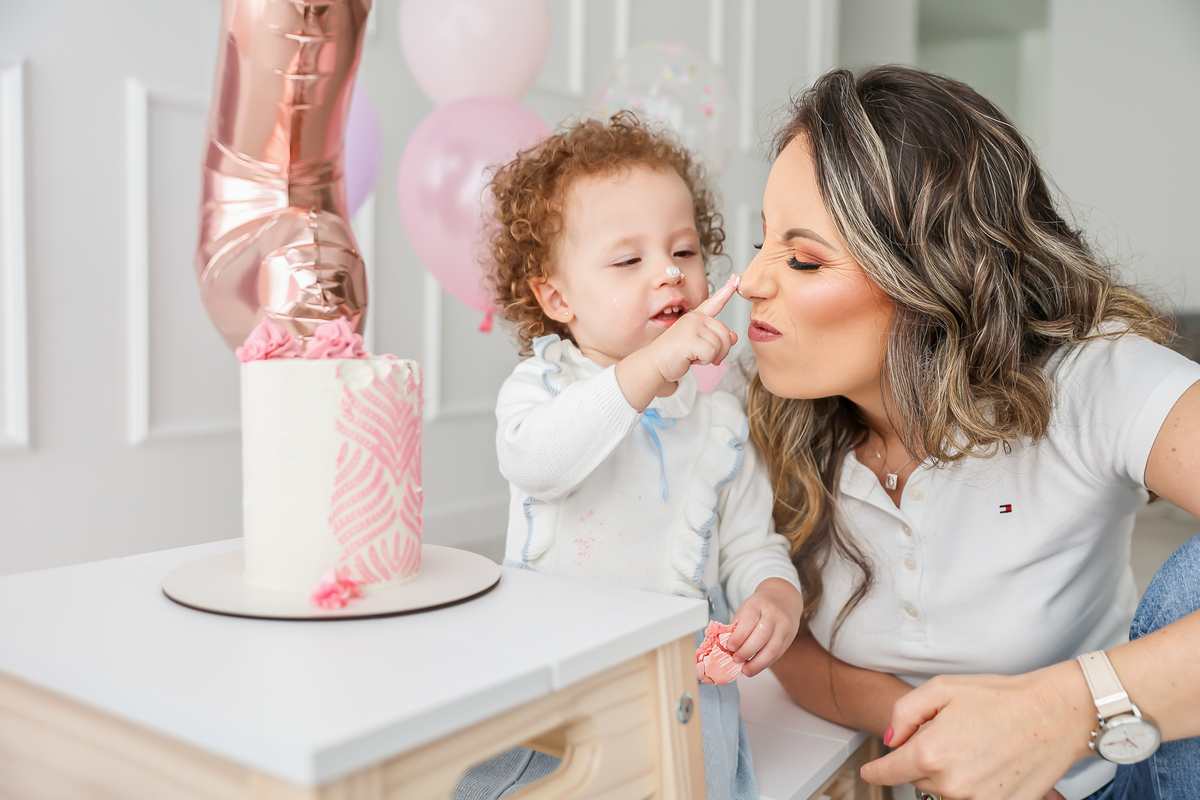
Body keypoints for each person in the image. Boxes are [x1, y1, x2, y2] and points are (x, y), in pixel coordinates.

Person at [736, 66, 1200, 800]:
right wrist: (952, 744)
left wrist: (1055, 717)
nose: (750, 281)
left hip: (1131, 770)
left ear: (935, 277)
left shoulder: (1091, 378)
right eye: (762, 240)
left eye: (803, 259)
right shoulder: (764, 415)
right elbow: (784, 643)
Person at [453, 113, 804, 800]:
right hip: (554, 686)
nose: (669, 274)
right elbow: (536, 463)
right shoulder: (543, 387)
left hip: (673, 693)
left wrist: (774, 594)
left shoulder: (721, 425)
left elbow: (751, 544)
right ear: (557, 297)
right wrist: (646, 370)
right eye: (628, 260)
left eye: (684, 251)